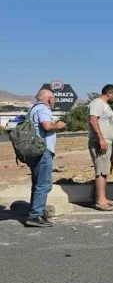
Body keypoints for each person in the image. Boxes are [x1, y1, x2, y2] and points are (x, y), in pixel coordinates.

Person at [25, 89, 67, 227]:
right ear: (49, 99)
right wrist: (58, 125)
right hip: (43, 150)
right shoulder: (44, 109)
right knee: (44, 184)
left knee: (37, 183)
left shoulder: (33, 109)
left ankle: (37, 211)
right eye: (53, 98)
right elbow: (47, 126)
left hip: (33, 150)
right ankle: (35, 215)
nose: (54, 100)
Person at [88, 84, 113, 211]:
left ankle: (103, 197)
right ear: (109, 93)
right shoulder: (97, 103)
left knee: (105, 170)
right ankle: (100, 201)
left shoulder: (106, 106)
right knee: (101, 171)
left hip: (107, 142)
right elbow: (93, 120)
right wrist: (101, 139)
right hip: (100, 142)